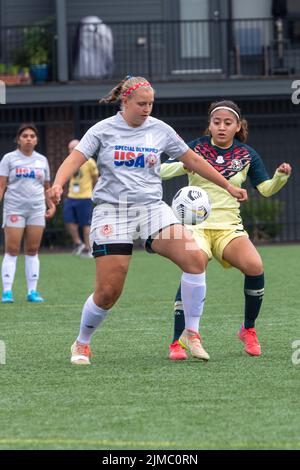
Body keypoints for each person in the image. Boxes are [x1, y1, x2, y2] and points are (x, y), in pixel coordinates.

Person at [47, 76, 247, 365]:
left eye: (151, 103)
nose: (146, 109)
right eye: (141, 103)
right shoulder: (102, 130)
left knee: (194, 258)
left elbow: (193, 160)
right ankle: (82, 343)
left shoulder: (160, 129)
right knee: (108, 292)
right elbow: (73, 160)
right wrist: (57, 184)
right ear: (124, 102)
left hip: (152, 209)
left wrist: (228, 185)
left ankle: (192, 334)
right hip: (113, 211)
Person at [160, 100, 292, 361]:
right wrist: (183, 165)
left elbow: (265, 189)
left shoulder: (247, 154)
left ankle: (248, 329)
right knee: (193, 268)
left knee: (255, 266)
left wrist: (280, 177)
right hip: (194, 228)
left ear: (238, 126)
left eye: (227, 123)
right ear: (209, 125)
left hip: (228, 228)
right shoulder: (195, 147)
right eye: (216, 122)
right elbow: (162, 170)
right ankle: (177, 342)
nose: (221, 127)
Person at [0, 123, 55, 303]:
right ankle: (7, 291)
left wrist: (51, 205)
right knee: (12, 249)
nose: (29, 139)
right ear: (18, 139)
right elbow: (2, 186)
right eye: (25, 136)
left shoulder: (42, 160)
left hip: (36, 209)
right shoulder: (9, 159)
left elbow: (47, 187)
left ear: (37, 140)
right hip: (14, 208)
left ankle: (32, 291)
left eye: (32, 136)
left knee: (32, 250)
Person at [63, 139, 99, 256]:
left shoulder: (89, 162)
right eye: (70, 148)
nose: (72, 150)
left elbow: (95, 178)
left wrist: (92, 191)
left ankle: (88, 249)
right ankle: (79, 243)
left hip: (85, 196)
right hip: (71, 196)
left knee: (86, 224)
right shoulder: (69, 161)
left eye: (74, 148)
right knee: (68, 220)